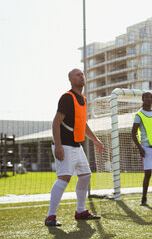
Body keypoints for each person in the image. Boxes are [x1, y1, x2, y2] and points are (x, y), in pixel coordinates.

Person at [45, 69, 104, 227]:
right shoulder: (67, 98)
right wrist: (57, 145)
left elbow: (82, 124)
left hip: (77, 146)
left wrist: (96, 140)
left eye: (82, 74)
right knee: (64, 178)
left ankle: (80, 211)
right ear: (70, 79)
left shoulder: (83, 99)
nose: (81, 77)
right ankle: (50, 216)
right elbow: (56, 122)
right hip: (64, 145)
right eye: (78, 75)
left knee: (85, 176)